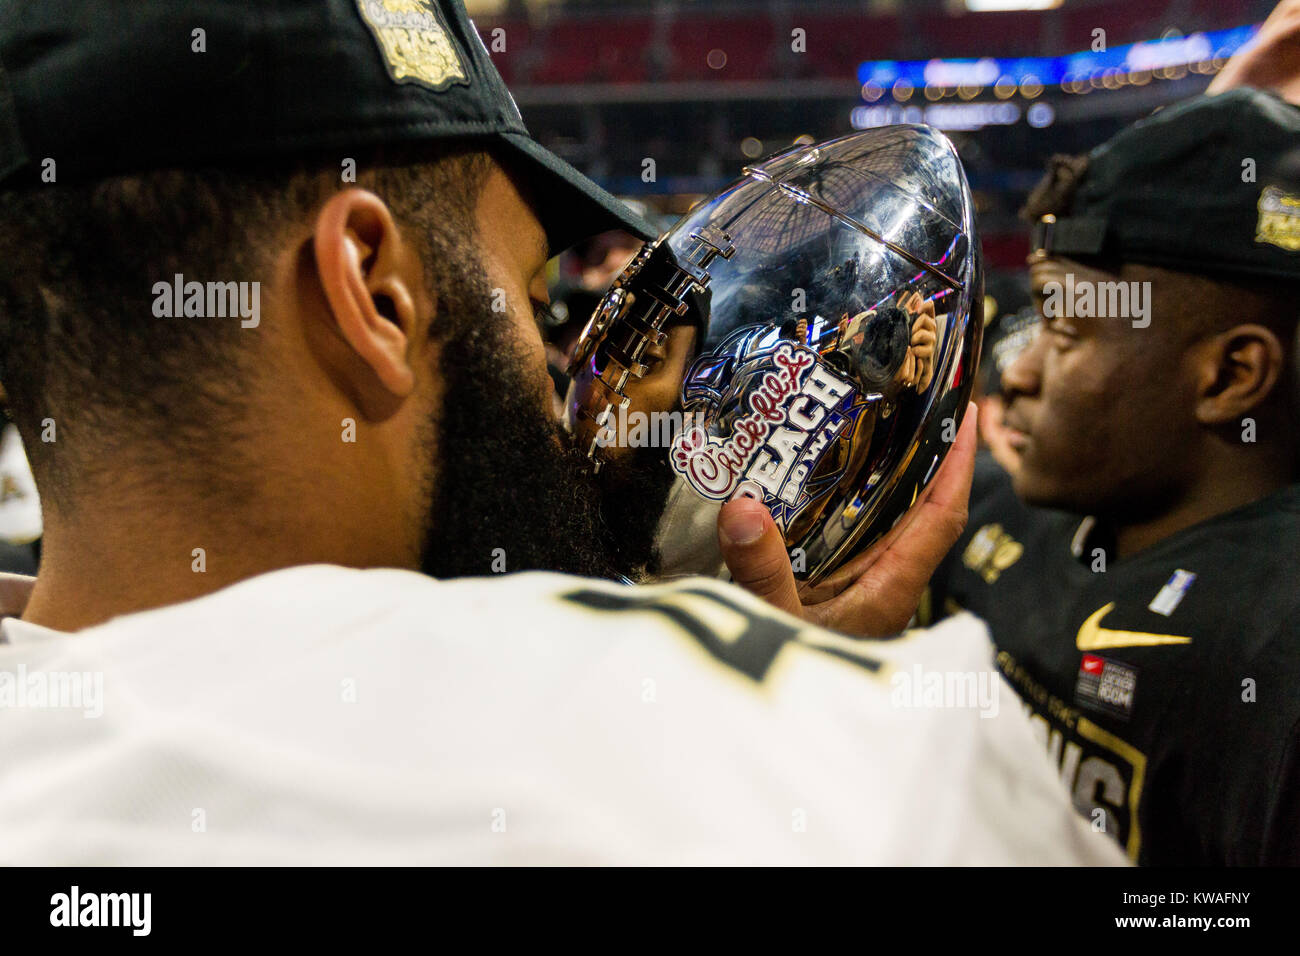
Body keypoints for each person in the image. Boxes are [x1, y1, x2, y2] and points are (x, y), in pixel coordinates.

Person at [0, 0, 1120, 865]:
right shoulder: (836, 762)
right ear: (373, 294)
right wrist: (775, 702)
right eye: (528, 296)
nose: (562, 378)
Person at [922, 89, 1300, 865]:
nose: (1016, 374)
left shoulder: (1274, 659)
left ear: (1231, 376)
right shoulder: (988, 508)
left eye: (1061, 328)